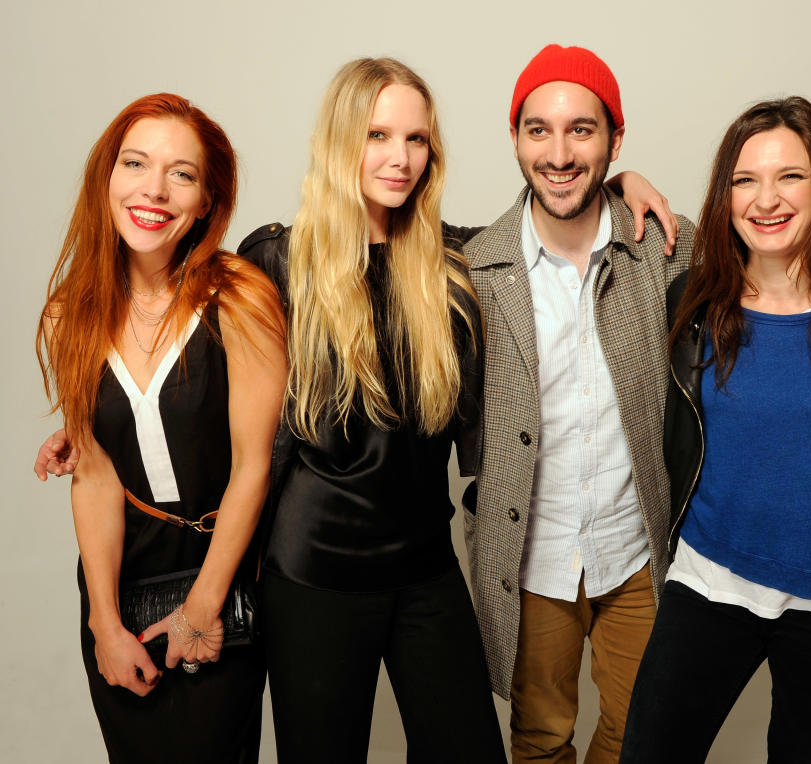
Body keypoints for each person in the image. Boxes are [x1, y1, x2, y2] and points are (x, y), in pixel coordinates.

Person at [618, 97, 811, 764]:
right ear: (726, 196)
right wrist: (621, 180)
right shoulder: (695, 303)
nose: (766, 199)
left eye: (789, 176)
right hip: (711, 577)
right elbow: (585, 215)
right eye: (744, 180)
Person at [236, 58, 506, 763]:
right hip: (313, 574)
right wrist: (96, 427)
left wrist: (623, 184)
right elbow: (199, 376)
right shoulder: (275, 260)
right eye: (377, 134)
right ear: (338, 140)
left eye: (416, 139)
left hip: (424, 566)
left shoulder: (454, 260)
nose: (400, 157)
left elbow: (551, 226)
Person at [461, 44, 695, 764]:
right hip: (532, 560)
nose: (558, 153)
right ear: (515, 137)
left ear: (614, 139)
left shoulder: (665, 250)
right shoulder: (471, 270)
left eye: (582, 131)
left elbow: (782, 277)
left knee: (644, 736)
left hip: (633, 552)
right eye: (539, 130)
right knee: (538, 741)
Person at [36, 94, 286, 762]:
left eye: (181, 173)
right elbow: (93, 477)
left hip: (220, 575)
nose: (153, 189)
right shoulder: (71, 313)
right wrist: (103, 622)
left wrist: (205, 606)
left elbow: (252, 467)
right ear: (108, 178)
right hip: (120, 583)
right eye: (135, 163)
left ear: (207, 199)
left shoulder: (240, 298)